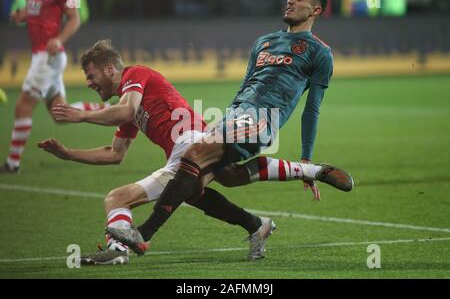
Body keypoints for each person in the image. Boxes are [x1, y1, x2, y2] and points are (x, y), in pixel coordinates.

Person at [39, 39, 347, 265]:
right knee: (222, 181)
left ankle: (120, 251)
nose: (89, 83)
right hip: (190, 145)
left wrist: (81, 115)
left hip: (191, 143)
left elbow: (125, 111)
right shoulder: (126, 104)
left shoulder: (136, 75)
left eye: (91, 76)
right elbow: (114, 154)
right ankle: (261, 221)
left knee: (117, 198)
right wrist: (68, 154)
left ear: (110, 69)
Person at [105, 0, 354, 256]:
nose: (290, 2)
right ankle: (260, 224)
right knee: (197, 186)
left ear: (315, 9)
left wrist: (306, 154)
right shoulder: (264, 41)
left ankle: (143, 233)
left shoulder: (319, 52)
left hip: (262, 118)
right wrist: (227, 120)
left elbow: (312, 109)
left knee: (194, 153)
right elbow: (245, 86)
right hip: (235, 116)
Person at [1, 0, 106, 174]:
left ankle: (12, 164)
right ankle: (110, 109)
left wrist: (59, 39)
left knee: (23, 105)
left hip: (48, 57)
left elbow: (75, 18)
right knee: (60, 114)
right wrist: (20, 16)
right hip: (41, 56)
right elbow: (35, 13)